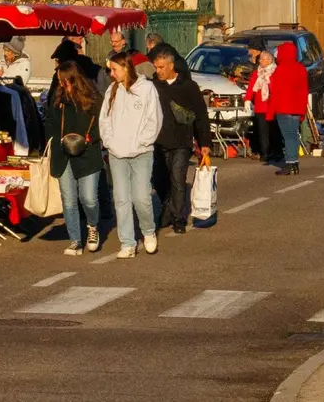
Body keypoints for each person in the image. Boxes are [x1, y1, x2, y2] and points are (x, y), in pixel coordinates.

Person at [99, 52, 163, 258]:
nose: (111, 73)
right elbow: (105, 120)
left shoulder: (146, 89)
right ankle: (127, 242)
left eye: (114, 69)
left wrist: (142, 141)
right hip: (117, 154)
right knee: (121, 199)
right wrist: (109, 142)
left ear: (126, 68)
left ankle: (148, 231)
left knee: (141, 197)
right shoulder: (112, 90)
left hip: (141, 153)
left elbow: (155, 118)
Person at [45, 59, 102, 256]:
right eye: (59, 80)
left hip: (88, 153)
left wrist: (91, 138)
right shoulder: (57, 99)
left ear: (72, 79)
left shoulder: (92, 97)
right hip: (63, 154)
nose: (61, 84)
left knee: (88, 198)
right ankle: (75, 240)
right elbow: (50, 122)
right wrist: (53, 140)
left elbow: (101, 122)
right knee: (68, 200)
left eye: (63, 80)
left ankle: (92, 226)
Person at [150, 45, 212, 229]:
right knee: (159, 179)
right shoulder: (152, 86)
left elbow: (201, 115)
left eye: (161, 67)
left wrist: (205, 142)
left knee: (178, 177)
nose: (158, 71)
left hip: (181, 141)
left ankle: (178, 218)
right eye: (156, 67)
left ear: (171, 66)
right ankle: (167, 206)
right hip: (158, 142)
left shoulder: (188, 86)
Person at [270, 43, 309, 176]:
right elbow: (304, 90)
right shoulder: (301, 69)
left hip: (284, 107)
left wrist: (271, 112)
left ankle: (290, 162)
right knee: (293, 134)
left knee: (288, 136)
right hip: (297, 107)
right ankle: (294, 163)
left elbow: (275, 91)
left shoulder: (280, 69)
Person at [244, 49, 280, 164]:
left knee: (274, 131)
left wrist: (269, 81)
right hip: (260, 106)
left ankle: (276, 152)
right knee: (262, 131)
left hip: (272, 106)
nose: (261, 61)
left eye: (263, 59)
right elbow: (251, 87)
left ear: (270, 60)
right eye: (260, 59)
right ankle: (265, 153)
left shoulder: (275, 71)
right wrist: (247, 100)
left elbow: (277, 89)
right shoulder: (257, 72)